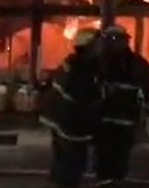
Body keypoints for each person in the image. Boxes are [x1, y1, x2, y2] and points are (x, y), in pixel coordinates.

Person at [41, 27, 102, 188]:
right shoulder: (82, 68)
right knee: (72, 165)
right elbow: (85, 97)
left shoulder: (73, 62)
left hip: (60, 119)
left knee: (63, 162)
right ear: (88, 46)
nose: (101, 47)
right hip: (71, 124)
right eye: (98, 44)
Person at [96, 24, 149, 185]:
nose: (113, 44)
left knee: (120, 153)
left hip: (123, 115)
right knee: (104, 153)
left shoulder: (137, 63)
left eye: (116, 39)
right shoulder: (98, 61)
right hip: (104, 117)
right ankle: (106, 181)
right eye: (110, 40)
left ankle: (115, 180)